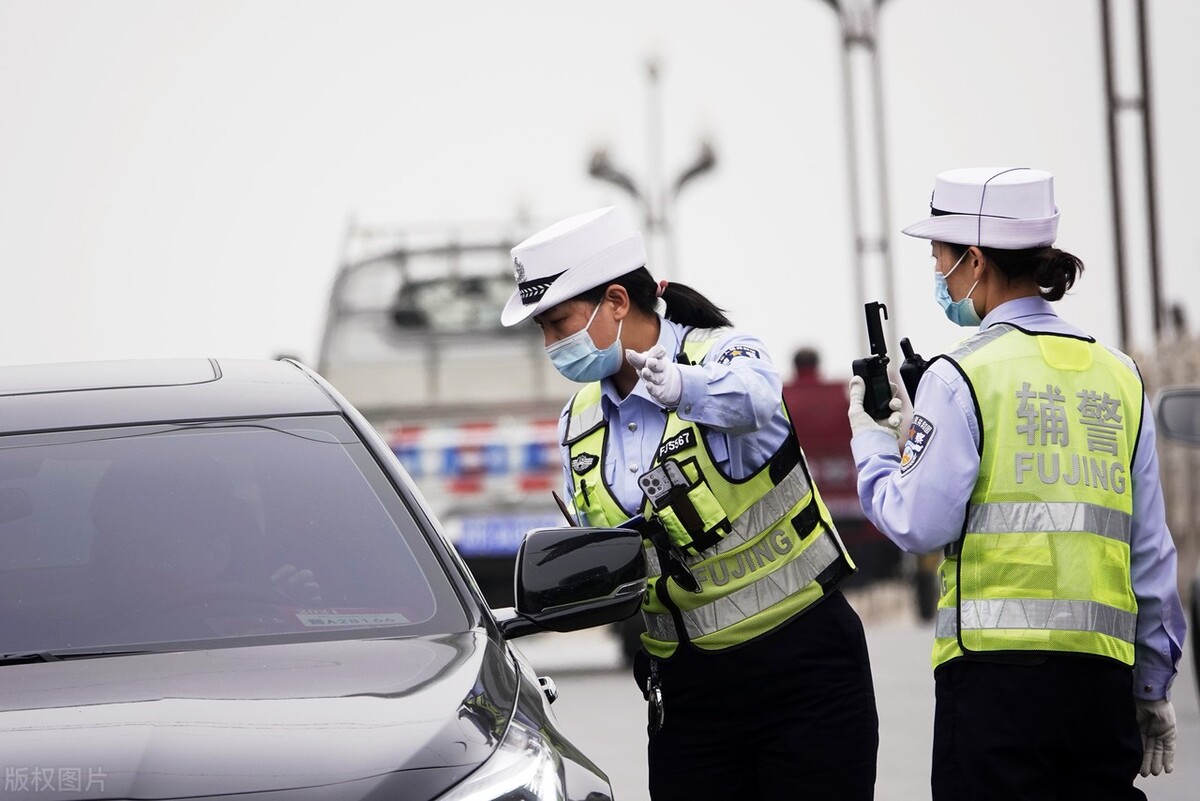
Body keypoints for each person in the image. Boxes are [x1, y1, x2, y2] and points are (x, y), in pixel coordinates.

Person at [501, 206, 879, 801]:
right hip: (687, 693)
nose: (553, 345)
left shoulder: (720, 355)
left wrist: (679, 385)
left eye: (559, 323)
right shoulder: (577, 422)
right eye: (543, 331)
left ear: (618, 302)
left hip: (803, 669)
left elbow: (758, 398)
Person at [848, 167, 1186, 800]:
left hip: (993, 686)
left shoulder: (962, 376)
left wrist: (873, 443)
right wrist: (1152, 684)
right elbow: (1150, 549)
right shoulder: (1121, 375)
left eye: (940, 259)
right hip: (1100, 683)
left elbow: (918, 521)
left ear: (974, 260)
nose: (939, 276)